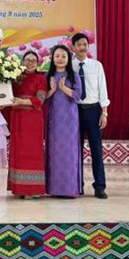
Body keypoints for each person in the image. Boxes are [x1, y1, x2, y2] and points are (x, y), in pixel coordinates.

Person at [71, 32, 109, 199]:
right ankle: (76, 185)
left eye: (85, 44)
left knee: (96, 150)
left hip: (93, 111)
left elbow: (103, 89)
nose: (82, 47)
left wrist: (104, 112)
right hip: (74, 111)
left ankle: (99, 186)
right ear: (73, 47)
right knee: (75, 150)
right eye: (79, 44)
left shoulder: (96, 65)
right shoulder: (69, 66)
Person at [44, 45, 83, 198]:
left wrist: (64, 88)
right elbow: (43, 98)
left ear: (68, 59)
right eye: (57, 56)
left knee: (70, 152)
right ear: (52, 58)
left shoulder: (73, 75)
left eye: (63, 56)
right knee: (54, 153)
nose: (60, 59)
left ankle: (70, 189)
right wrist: (53, 90)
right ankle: (54, 189)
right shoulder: (48, 76)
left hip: (70, 120)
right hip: (54, 119)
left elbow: (78, 96)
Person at [8, 51, 47, 198]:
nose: (30, 63)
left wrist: (22, 101)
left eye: (33, 61)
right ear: (22, 61)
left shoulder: (41, 78)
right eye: (27, 60)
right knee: (19, 152)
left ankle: (34, 189)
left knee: (33, 152)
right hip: (17, 118)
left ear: (37, 63)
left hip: (33, 120)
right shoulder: (15, 77)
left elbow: (41, 99)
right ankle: (19, 188)